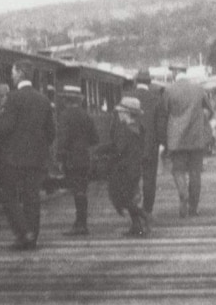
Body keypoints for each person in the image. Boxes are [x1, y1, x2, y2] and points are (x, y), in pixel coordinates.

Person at [0, 60, 55, 251]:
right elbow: (51, 133)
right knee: (32, 197)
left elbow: (5, 127)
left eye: (13, 72)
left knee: (8, 195)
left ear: (21, 74)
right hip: (37, 159)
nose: (12, 76)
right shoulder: (44, 100)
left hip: (13, 158)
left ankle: (23, 232)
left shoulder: (14, 98)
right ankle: (32, 237)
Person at [157, 72, 213, 218]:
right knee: (195, 173)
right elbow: (210, 110)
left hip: (176, 139)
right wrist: (202, 119)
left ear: (176, 79)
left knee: (178, 170)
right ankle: (193, 208)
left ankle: (183, 193)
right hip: (196, 138)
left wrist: (164, 139)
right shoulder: (199, 89)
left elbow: (163, 113)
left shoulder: (169, 90)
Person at [103, 96, 148, 237]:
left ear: (128, 113)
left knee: (123, 198)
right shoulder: (138, 128)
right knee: (129, 197)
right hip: (134, 167)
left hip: (124, 169)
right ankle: (137, 227)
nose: (119, 114)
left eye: (121, 112)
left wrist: (105, 155)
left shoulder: (124, 130)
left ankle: (145, 218)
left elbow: (119, 150)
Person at [56, 85, 98, 235]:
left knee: (77, 190)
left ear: (66, 100)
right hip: (85, 156)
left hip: (71, 158)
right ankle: (81, 222)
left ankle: (81, 224)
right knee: (82, 189)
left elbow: (63, 139)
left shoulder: (64, 115)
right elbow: (94, 138)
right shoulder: (86, 115)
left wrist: (60, 158)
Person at [128, 69, 162, 218]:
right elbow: (160, 125)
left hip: (130, 146)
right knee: (149, 180)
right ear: (149, 82)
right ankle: (148, 210)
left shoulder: (127, 97)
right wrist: (161, 143)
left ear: (136, 82)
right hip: (150, 145)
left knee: (131, 179)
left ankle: (135, 213)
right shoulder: (156, 98)